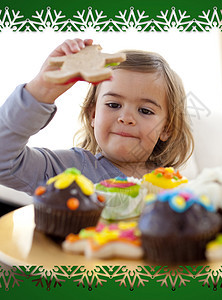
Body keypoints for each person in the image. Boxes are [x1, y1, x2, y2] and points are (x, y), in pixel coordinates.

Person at [0, 38, 194, 195]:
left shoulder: (172, 185)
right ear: (93, 114)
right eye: (113, 105)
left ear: (167, 128)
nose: (126, 118)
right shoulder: (69, 171)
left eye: (145, 110)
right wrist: (41, 90)